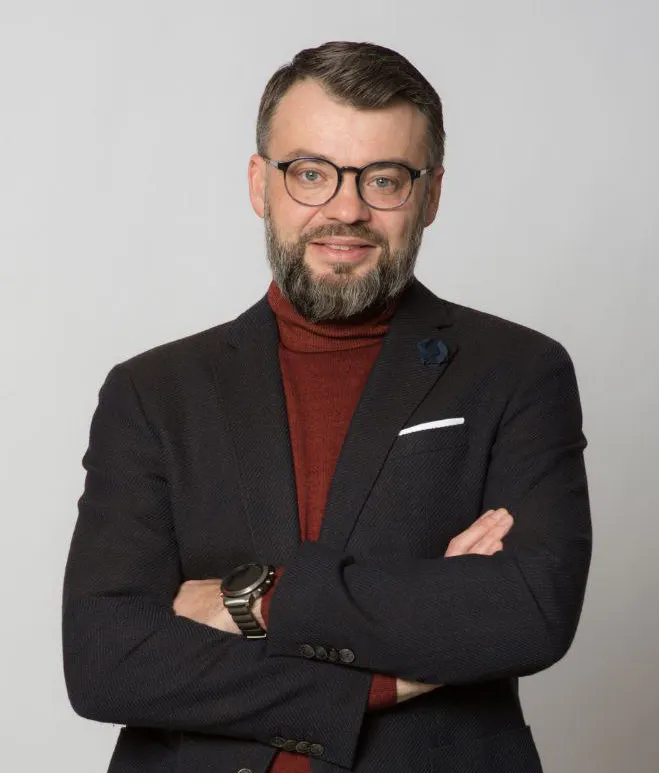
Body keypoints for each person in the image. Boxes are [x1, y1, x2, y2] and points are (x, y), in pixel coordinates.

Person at [62, 41, 592, 773]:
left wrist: (259, 599)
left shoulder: (518, 371)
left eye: (385, 179)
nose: (346, 209)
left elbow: (529, 610)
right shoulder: (151, 392)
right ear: (261, 184)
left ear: (432, 195)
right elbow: (106, 660)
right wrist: (386, 678)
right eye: (311, 173)